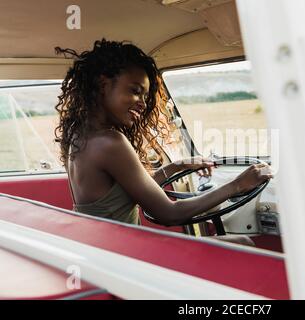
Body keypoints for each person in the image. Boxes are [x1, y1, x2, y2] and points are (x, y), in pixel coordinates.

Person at [54, 39, 272, 244]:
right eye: (135, 91)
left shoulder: (80, 134)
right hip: (126, 257)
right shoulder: (110, 142)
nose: (142, 103)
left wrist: (178, 166)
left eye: (145, 96)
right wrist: (237, 185)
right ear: (103, 84)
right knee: (243, 243)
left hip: (104, 251)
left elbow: (129, 192)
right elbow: (169, 214)